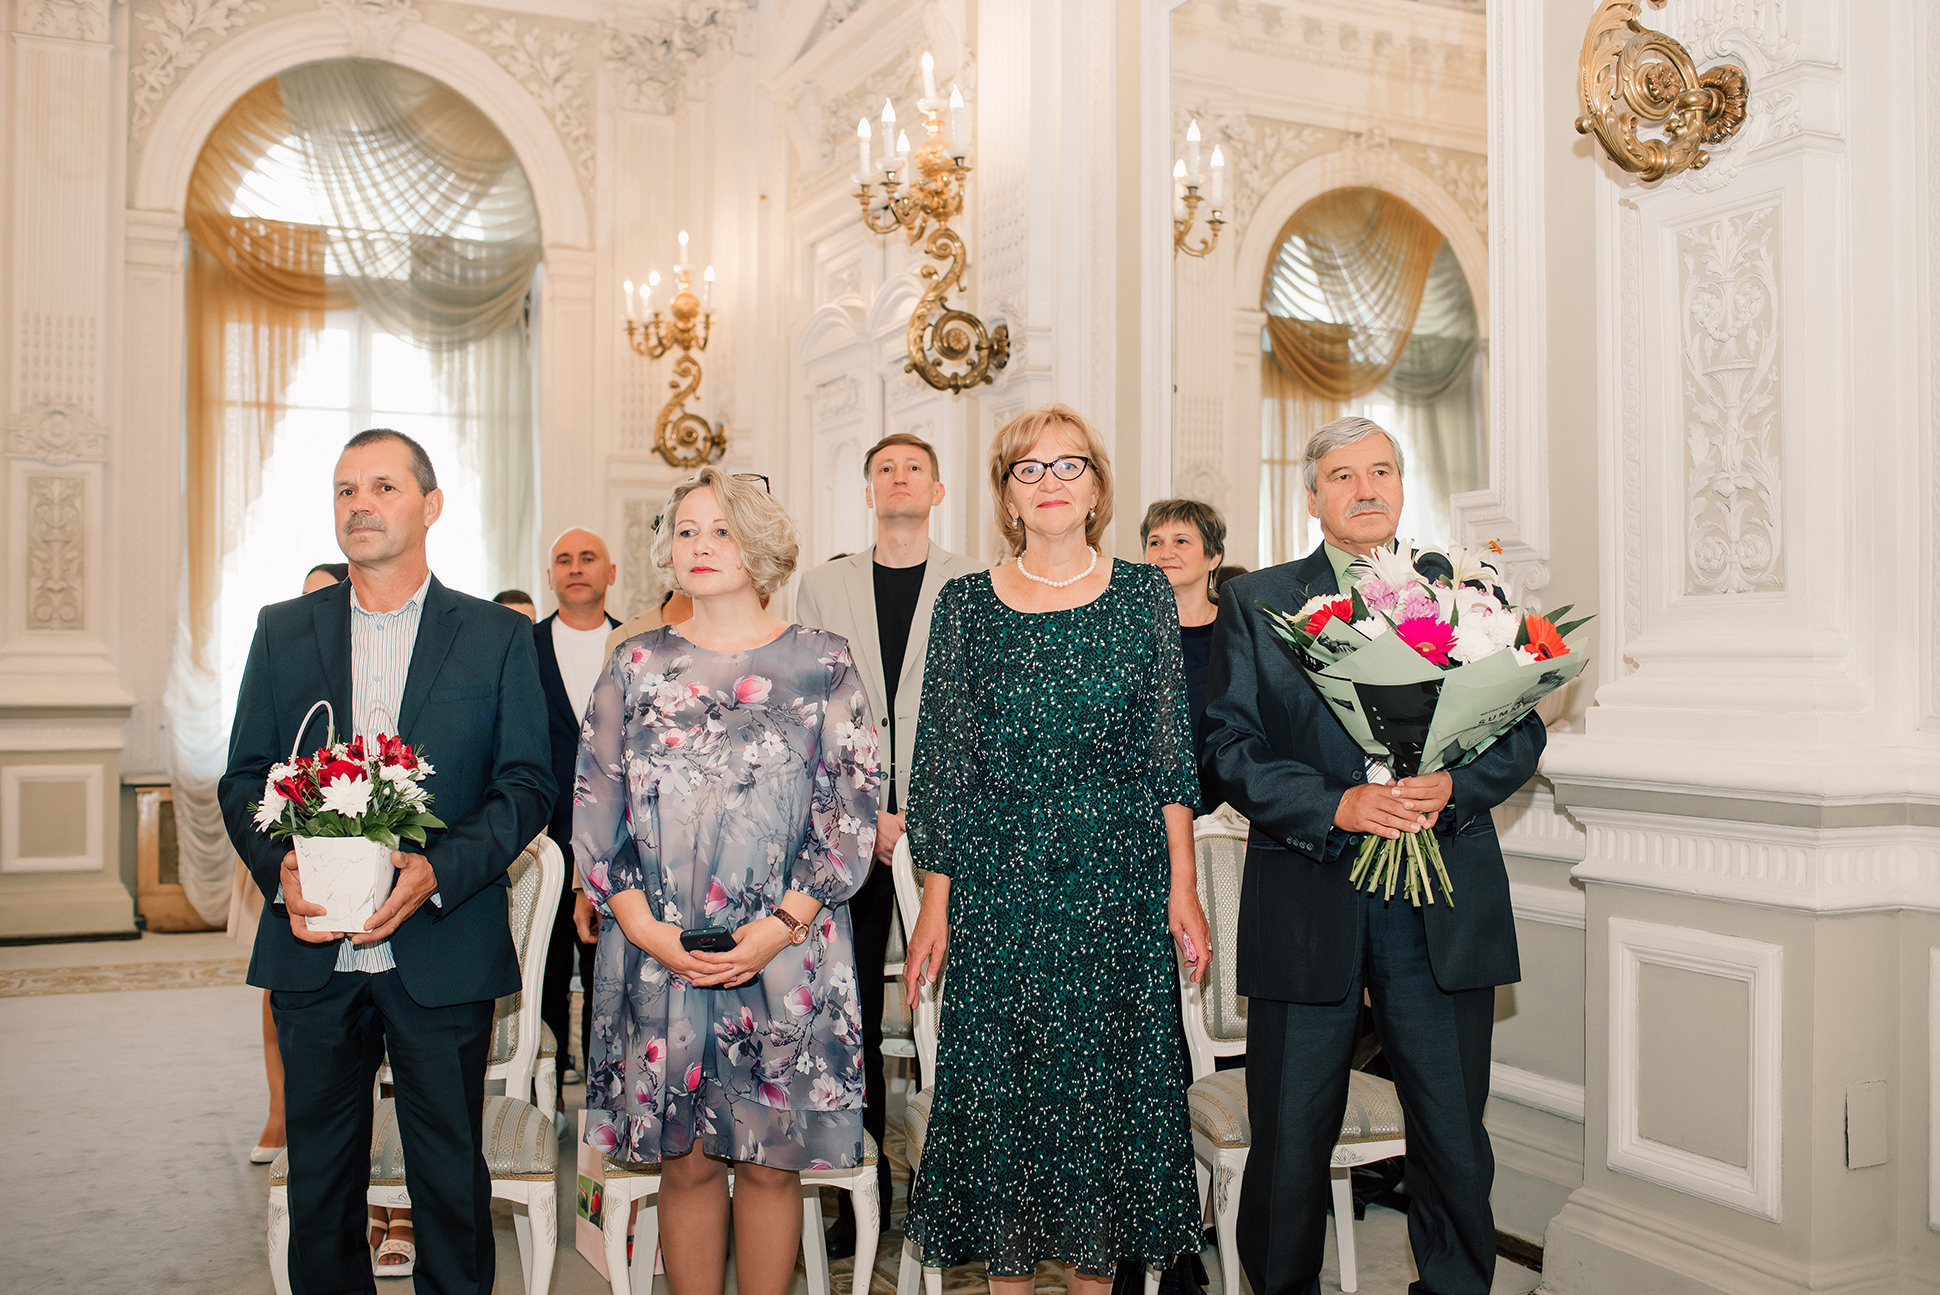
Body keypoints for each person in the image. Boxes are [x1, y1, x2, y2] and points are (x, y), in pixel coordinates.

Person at [1200, 415, 1546, 1295]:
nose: (1365, 488)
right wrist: (1337, 803)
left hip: (1438, 899)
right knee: (1289, 1135)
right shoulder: (1259, 600)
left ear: (1400, 484)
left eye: (1381, 470)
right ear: (1311, 495)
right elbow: (1229, 746)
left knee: (1452, 1134)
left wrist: (1455, 787)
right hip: (1309, 893)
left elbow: (1519, 725)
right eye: (1344, 474)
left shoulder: (1465, 589)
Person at [219, 428, 554, 1293]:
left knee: (447, 1177)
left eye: (381, 486)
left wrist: (438, 871)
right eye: (343, 491)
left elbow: (525, 785)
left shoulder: (493, 636)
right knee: (322, 1182)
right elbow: (243, 775)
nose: (358, 504)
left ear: (431, 505)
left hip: (439, 946)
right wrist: (279, 866)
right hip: (312, 947)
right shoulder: (282, 629)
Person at [899, 404, 1212, 1293]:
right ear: (1005, 495)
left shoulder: (1144, 593)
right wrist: (934, 899)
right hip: (1001, 891)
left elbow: (1166, 752)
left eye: (1068, 465)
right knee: (1010, 1119)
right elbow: (942, 767)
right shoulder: (964, 603)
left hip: (1117, 888)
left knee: (1101, 1129)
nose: (1049, 482)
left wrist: (1181, 887)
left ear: (1098, 486)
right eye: (1027, 469)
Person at [575, 467, 880, 1295]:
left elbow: (851, 809)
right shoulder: (633, 664)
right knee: (686, 1163)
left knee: (775, 1166)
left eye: (721, 529)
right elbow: (596, 809)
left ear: (762, 542)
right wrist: (648, 932)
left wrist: (778, 926)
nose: (701, 546)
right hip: (656, 951)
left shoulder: (822, 663)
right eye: (686, 531)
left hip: (788, 950)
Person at [795, 431, 982, 1256]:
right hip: (849, 829)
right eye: (884, 469)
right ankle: (851, 1188)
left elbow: (980, 714)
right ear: (868, 491)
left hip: (951, 827)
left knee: (968, 1007)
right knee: (852, 1012)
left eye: (913, 468)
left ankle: (965, 1186)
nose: (898, 478)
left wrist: (926, 810)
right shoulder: (823, 582)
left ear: (937, 491)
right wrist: (864, 811)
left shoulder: (975, 584)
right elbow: (809, 706)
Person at [236, 562, 353, 1168]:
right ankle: (280, 1110)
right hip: (290, 843)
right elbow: (249, 764)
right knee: (282, 984)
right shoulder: (283, 643)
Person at [533, 529, 621, 1103]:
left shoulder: (635, 643)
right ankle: (541, 1101)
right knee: (537, 970)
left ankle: (600, 1100)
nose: (575, 568)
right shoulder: (523, 644)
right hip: (539, 836)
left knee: (605, 975)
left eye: (588, 558)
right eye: (563, 560)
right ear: (550, 577)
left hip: (615, 836)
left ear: (611, 572)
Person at [1139, 498, 1226, 753]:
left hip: (1225, 783)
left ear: (1214, 557)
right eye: (1155, 542)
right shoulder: (1131, 632)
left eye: (1181, 541)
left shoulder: (1236, 629)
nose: (1166, 553)